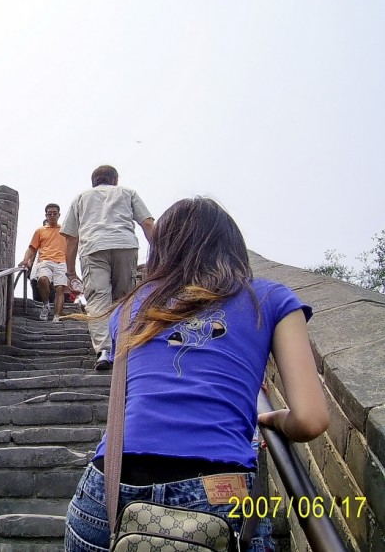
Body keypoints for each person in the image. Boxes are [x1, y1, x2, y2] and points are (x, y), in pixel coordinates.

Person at [64, 197, 330, 552]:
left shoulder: (130, 308)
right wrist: (273, 418)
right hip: (220, 495)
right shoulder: (270, 299)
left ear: (162, 249)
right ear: (233, 246)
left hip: (107, 494)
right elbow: (311, 420)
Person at [61, 165, 155, 369]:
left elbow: (71, 238)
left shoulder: (81, 198)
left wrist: (70, 272)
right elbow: (147, 223)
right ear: (115, 180)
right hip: (125, 244)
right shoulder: (128, 193)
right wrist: (160, 251)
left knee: (97, 298)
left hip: (93, 248)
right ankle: (125, 346)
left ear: (93, 181)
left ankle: (104, 350)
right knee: (124, 298)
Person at [19, 204, 67, 322]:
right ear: (46, 215)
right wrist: (26, 260)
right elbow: (32, 248)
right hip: (45, 261)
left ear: (59, 215)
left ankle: (56, 316)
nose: (52, 215)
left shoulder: (65, 230)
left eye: (54, 213)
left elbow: (72, 246)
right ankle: (46, 305)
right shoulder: (40, 231)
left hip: (61, 262)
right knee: (42, 280)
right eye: (49, 213)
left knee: (60, 288)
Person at [29, 219, 55, 305]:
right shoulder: (39, 238)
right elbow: (32, 251)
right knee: (37, 298)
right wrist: (29, 263)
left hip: (52, 274)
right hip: (36, 272)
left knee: (50, 296)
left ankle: (49, 311)